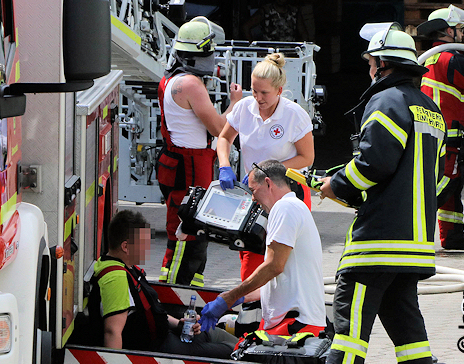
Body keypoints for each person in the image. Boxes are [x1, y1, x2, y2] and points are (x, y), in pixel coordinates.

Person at [318, 23, 444, 364]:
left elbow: (373, 163)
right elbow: (438, 177)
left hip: (377, 243)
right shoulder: (431, 109)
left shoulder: (386, 100)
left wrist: (336, 185)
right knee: (410, 338)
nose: (369, 70)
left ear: (383, 64)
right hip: (413, 247)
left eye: (371, 63)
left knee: (348, 337)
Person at [156, 16, 242, 287]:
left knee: (192, 227)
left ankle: (190, 287)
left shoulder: (170, 79)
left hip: (177, 162)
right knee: (189, 229)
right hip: (190, 166)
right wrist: (235, 105)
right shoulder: (191, 84)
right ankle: (176, 291)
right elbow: (219, 128)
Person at [85, 210, 239, 357]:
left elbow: (150, 310)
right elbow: (112, 331)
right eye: (143, 243)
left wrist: (179, 324)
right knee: (233, 351)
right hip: (162, 347)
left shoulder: (124, 268)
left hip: (169, 336)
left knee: (228, 341)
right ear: (125, 247)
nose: (147, 248)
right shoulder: (116, 278)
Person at [199, 160, 326, 338]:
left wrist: (229, 297)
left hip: (295, 326)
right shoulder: (292, 207)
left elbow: (274, 266)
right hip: (293, 323)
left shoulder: (284, 207)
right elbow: (281, 277)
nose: (252, 199)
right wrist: (238, 297)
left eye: (253, 191)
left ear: (268, 183)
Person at [216, 52, 314, 282]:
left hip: (288, 193)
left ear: (279, 91)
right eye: (254, 90)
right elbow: (224, 139)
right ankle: (251, 311)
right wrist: (224, 165)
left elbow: (306, 157)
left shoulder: (293, 115)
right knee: (250, 254)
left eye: (264, 93)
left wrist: (268, 170)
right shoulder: (244, 108)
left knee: (286, 260)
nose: (258, 98)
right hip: (256, 194)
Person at [417, 4, 464, 249]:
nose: (463, 34)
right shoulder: (450, 59)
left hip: (444, 135)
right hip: (449, 137)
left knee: (451, 185)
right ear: (448, 32)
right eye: (460, 29)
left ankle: (453, 236)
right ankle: (413, 233)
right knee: (444, 185)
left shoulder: (436, 58)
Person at [241, 0, 313, 43]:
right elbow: (246, 27)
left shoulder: (294, 11)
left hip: (289, 53)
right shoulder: (266, 10)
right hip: (270, 54)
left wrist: (301, 51)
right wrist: (255, 48)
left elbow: (304, 34)